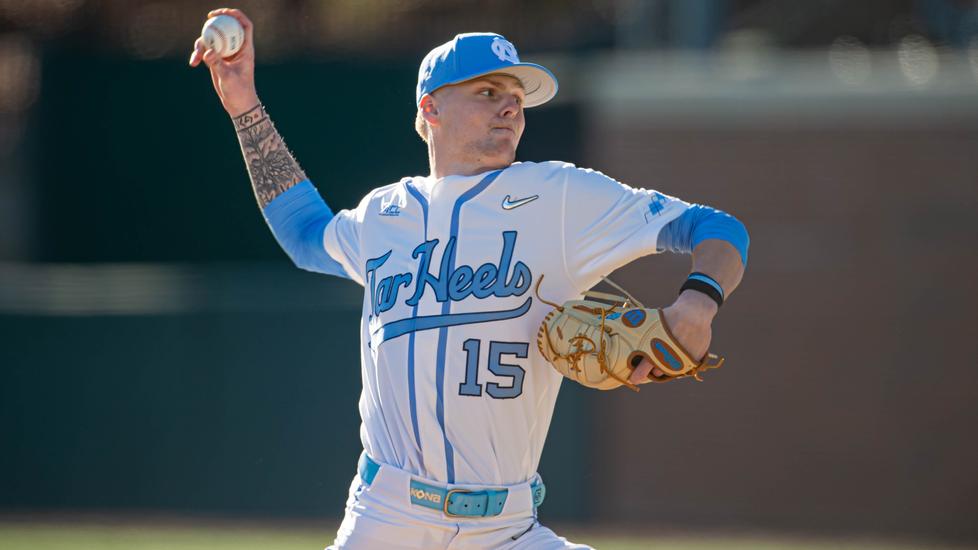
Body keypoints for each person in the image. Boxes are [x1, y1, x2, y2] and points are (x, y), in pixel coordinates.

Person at [191, 8, 748, 549]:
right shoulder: (384, 214)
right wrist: (244, 107)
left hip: (507, 528)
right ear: (430, 108)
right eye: (487, 93)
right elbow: (305, 234)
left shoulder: (559, 197)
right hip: (386, 518)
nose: (510, 109)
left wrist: (697, 305)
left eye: (517, 99)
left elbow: (715, 228)